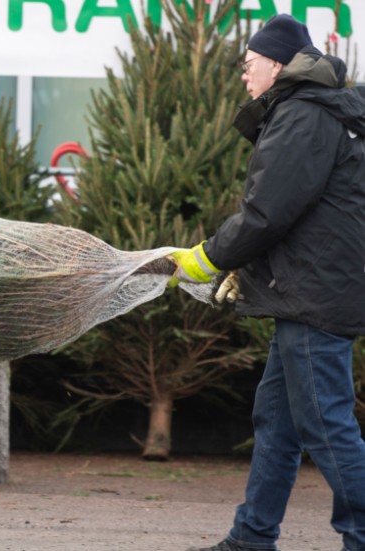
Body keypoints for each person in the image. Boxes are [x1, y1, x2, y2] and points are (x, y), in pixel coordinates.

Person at [168, 14, 365, 551]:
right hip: (310, 287)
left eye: (248, 65)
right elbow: (301, 212)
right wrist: (244, 264)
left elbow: (267, 212)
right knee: (277, 423)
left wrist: (207, 258)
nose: (242, 75)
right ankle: (251, 537)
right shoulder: (316, 110)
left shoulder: (301, 114)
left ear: (276, 66)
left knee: (327, 426)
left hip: (312, 297)